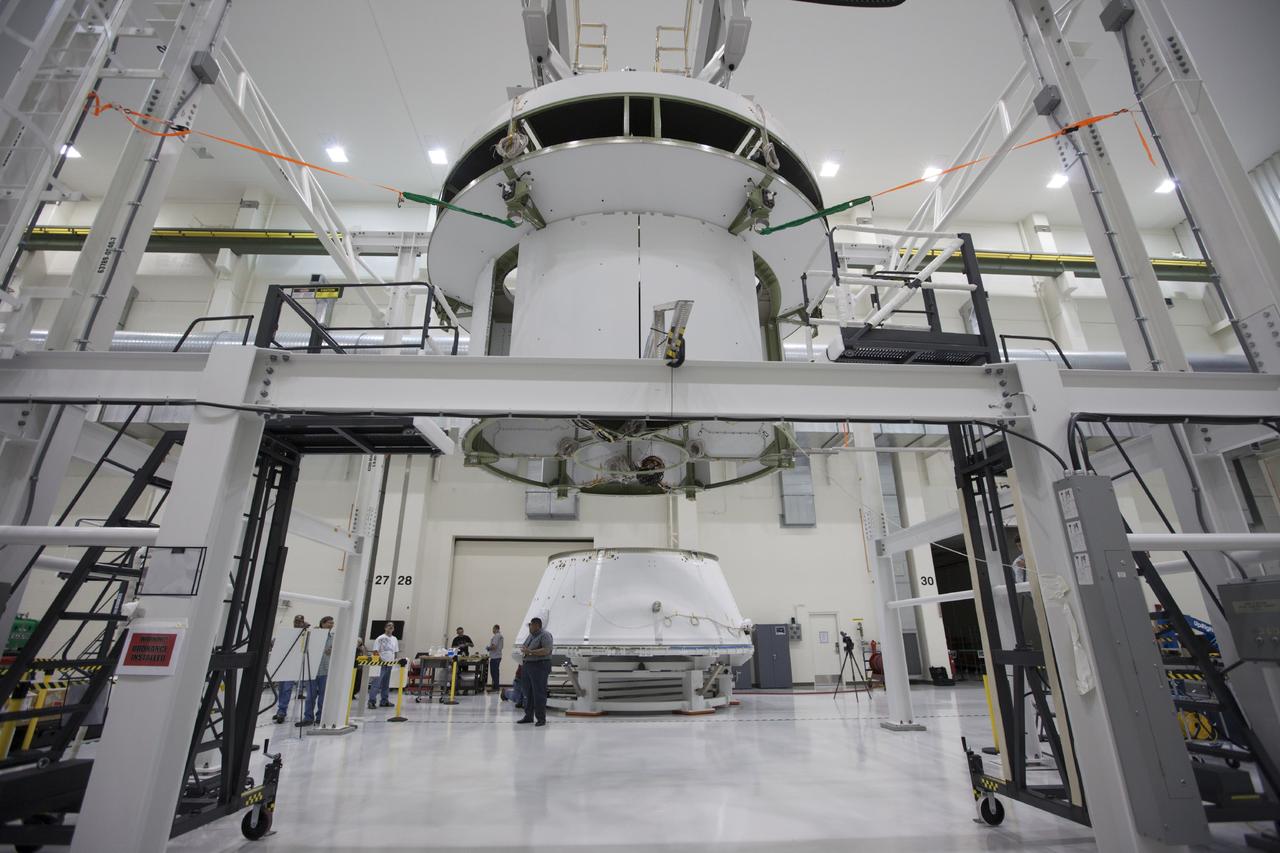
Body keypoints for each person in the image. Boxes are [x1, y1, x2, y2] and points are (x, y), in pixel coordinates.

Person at [517, 617, 553, 727]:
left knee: (539, 693)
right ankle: (528, 716)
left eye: (531, 625)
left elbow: (546, 650)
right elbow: (525, 647)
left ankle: (541, 718)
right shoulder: (531, 636)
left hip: (539, 666)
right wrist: (525, 650)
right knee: (528, 693)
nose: (529, 627)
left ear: (537, 625)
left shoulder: (545, 635)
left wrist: (530, 652)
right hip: (528, 666)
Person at [272, 614, 308, 724]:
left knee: (287, 688)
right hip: (283, 665)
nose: (297, 623)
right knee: (281, 689)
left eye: (300, 621)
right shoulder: (287, 633)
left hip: (293, 666)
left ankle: (282, 712)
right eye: (296, 621)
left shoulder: (304, 635)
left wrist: (304, 630)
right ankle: (280, 709)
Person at [301, 615, 334, 725]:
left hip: (325, 670)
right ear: (322, 623)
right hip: (313, 670)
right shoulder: (313, 635)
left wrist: (332, 650)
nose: (331, 624)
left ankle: (320, 717)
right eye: (329, 622)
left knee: (323, 696)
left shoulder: (332, 637)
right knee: (310, 696)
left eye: (332, 623)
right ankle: (308, 717)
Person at [368, 622, 399, 709]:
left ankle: (384, 701)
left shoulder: (395, 639)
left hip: (390, 664)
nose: (391, 627)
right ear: (385, 628)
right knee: (376, 683)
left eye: (392, 626)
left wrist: (395, 661)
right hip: (381, 664)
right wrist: (379, 661)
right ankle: (371, 701)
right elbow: (375, 651)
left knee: (386, 684)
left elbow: (395, 652)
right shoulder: (380, 638)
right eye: (389, 626)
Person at [486, 624, 504, 693]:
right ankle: (495, 687)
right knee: (495, 672)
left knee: (494, 673)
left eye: (493, 629)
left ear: (496, 629)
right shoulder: (500, 636)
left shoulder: (497, 636)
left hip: (495, 657)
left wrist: (488, 648)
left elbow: (494, 647)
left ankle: (496, 688)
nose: (492, 630)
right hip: (497, 656)